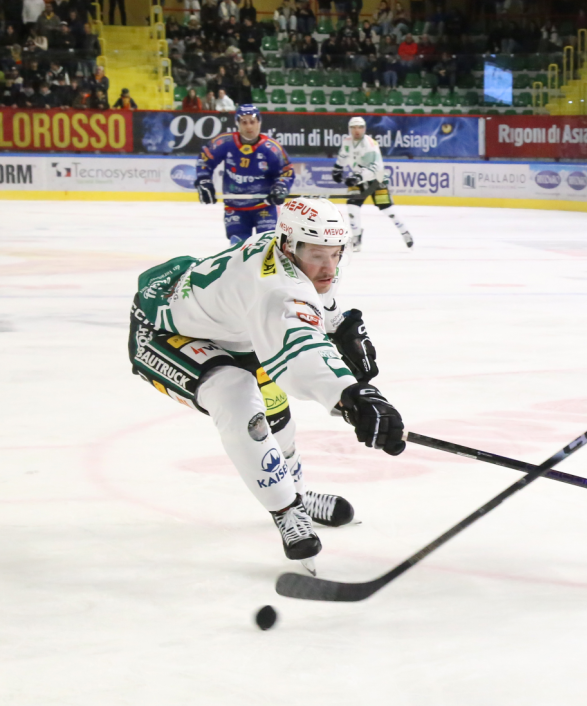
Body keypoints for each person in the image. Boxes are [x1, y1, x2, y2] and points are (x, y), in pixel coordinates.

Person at [127, 198, 404, 570]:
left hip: (234, 330)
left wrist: (337, 324)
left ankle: (297, 493)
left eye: (337, 253)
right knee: (237, 398)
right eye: (318, 255)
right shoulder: (272, 286)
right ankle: (287, 510)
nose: (329, 266)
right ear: (289, 245)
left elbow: (313, 305)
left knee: (277, 418)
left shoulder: (293, 257)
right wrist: (350, 394)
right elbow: (299, 352)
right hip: (161, 331)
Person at [195, 104, 295, 245]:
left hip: (264, 205)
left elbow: (287, 171)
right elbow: (204, 159)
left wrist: (280, 187)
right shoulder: (224, 142)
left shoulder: (271, 148)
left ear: (259, 123)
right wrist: (204, 181)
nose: (249, 126)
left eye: (252, 121)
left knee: (268, 248)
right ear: (237, 124)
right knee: (237, 251)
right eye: (244, 122)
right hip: (235, 208)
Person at [332, 115, 413, 250]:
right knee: (352, 207)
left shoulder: (370, 144)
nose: (357, 130)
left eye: (360, 127)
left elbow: (375, 167)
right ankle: (356, 238)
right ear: (349, 129)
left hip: (376, 179)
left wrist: (358, 177)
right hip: (358, 177)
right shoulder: (347, 141)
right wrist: (338, 168)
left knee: (388, 209)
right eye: (353, 128)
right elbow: (343, 155)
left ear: (364, 129)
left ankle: (404, 232)